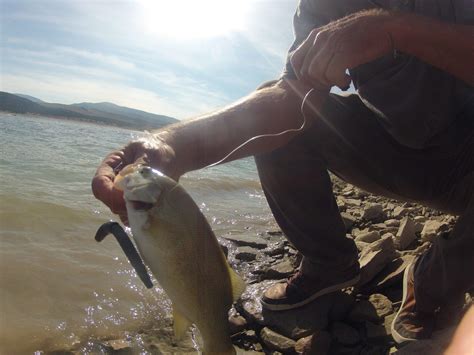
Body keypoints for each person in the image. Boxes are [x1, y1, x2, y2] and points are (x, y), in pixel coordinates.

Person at [92, 0, 474, 345]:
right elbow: (288, 100)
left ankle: (434, 282)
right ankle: (328, 265)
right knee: (284, 123)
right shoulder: (324, 6)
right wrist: (171, 145)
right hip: (400, 150)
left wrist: (396, 30)